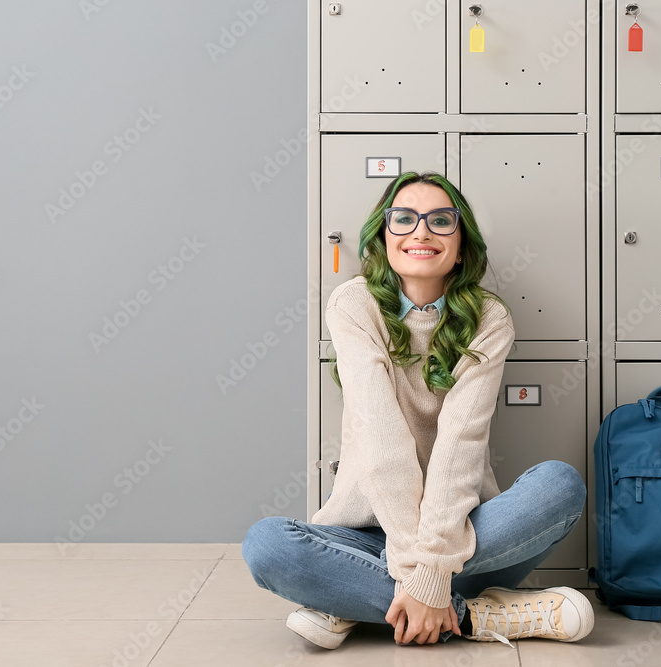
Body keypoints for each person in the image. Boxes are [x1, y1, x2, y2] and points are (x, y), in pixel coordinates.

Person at [242, 171, 592, 649]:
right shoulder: (354, 304)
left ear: (462, 244)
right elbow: (381, 441)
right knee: (267, 545)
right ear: (384, 237)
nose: (421, 232)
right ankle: (475, 617)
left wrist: (430, 567)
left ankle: (352, 600)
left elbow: (459, 446)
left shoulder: (489, 318)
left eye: (440, 221)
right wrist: (417, 572)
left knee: (559, 484)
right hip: (368, 533)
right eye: (403, 219)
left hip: (463, 537)